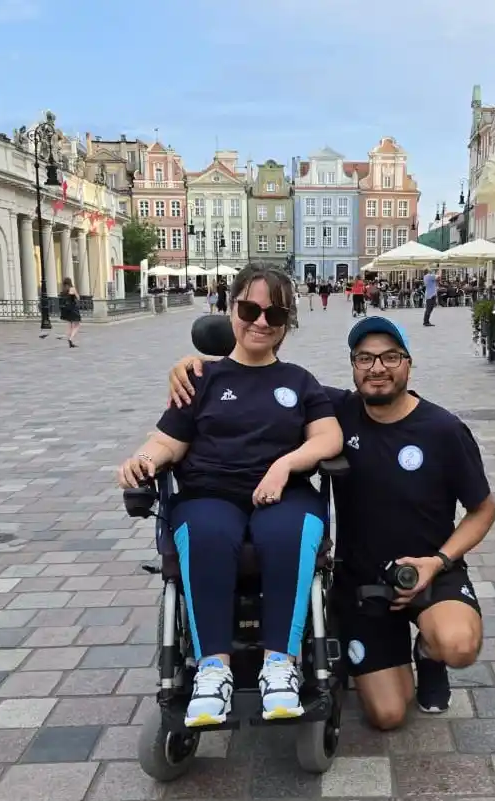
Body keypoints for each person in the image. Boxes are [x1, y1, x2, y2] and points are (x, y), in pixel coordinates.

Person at [168, 317, 495, 730]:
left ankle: (429, 658)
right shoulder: (336, 410)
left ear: (409, 363)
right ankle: (372, 640)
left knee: (458, 645)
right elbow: (260, 379)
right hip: (361, 581)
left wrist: (439, 561)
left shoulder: (443, 429)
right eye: (365, 358)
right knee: (388, 715)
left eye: (390, 357)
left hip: (429, 571)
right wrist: (195, 369)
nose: (377, 368)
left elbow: (483, 511)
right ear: (354, 365)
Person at [118, 263, 343, 728]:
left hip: (283, 494)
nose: (261, 321)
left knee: (289, 531)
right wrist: (143, 460)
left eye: (274, 314)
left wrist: (284, 464)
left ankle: (280, 664)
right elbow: (167, 441)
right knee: (205, 531)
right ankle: (212, 671)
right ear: (231, 308)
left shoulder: (299, 380)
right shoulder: (199, 378)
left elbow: (328, 438)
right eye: (249, 308)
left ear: (287, 323)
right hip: (209, 493)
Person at [59, 277, 81, 347]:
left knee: (69, 325)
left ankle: (69, 339)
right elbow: (78, 297)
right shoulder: (72, 289)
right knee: (77, 325)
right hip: (73, 309)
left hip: (66, 310)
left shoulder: (63, 291)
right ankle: (71, 339)